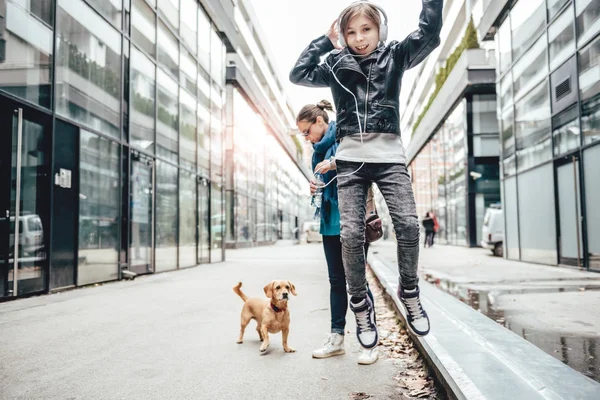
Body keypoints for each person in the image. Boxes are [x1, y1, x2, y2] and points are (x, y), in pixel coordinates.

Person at [290, 0, 443, 339]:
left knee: (407, 225)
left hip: (389, 157)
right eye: (351, 32)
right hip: (350, 161)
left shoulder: (395, 55)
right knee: (351, 236)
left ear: (379, 30)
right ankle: (360, 306)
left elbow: (430, 35)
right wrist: (324, 43)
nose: (359, 38)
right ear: (343, 36)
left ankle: (410, 291)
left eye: (366, 30)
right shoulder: (335, 64)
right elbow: (298, 74)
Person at [297, 100, 379, 365]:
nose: (306, 138)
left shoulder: (346, 133)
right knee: (335, 281)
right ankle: (337, 338)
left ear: (319, 122)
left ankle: (369, 341)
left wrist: (333, 164)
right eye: (303, 135)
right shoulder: (316, 151)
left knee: (356, 280)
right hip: (330, 220)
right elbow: (322, 182)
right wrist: (313, 187)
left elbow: (364, 165)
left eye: (307, 131)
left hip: (353, 218)